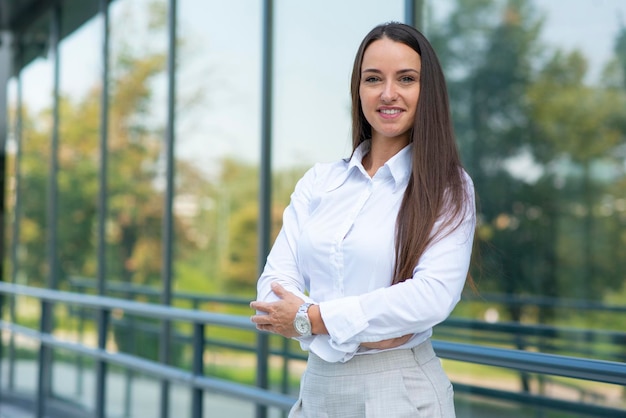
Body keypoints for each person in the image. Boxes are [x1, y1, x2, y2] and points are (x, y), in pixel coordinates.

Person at [250, 21, 475, 418]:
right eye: (373, 79)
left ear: (428, 92)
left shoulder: (447, 187)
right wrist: (363, 331)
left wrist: (312, 320)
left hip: (400, 393)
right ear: (358, 90)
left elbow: (430, 296)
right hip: (318, 388)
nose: (388, 93)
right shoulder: (320, 182)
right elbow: (272, 291)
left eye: (406, 79)